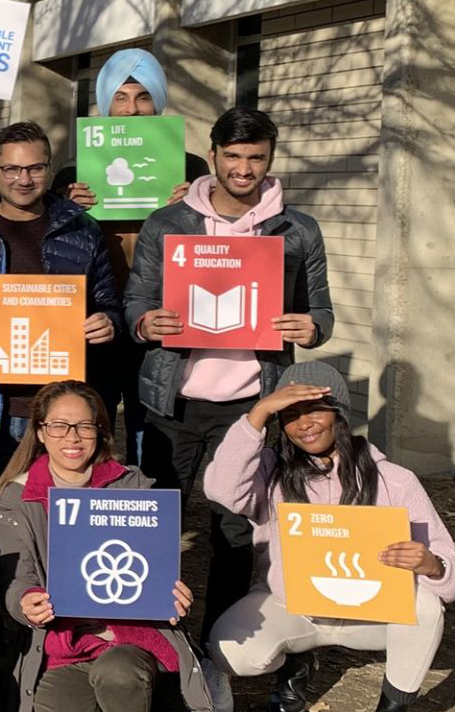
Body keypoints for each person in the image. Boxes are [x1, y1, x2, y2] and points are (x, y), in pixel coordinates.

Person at [126, 106, 335, 638]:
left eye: (256, 158)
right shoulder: (167, 223)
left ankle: (218, 643)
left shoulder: (298, 230)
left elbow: (323, 312)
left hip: (250, 405)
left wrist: (309, 329)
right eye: (234, 156)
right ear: (213, 155)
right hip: (173, 401)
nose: (244, 169)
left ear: (271, 159)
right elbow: (136, 302)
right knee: (156, 522)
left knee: (235, 527)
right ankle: (149, 637)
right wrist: (147, 322)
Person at [204, 362, 455, 712]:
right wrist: (257, 414)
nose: (303, 424)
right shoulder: (273, 475)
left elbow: (454, 582)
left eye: (316, 411)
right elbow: (219, 488)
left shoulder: (393, 480)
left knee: (427, 607)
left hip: (369, 615)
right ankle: (299, 658)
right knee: (231, 652)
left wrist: (432, 565)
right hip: (293, 606)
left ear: (340, 415)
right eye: (289, 415)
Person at [0, 381, 217, 712]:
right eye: (59, 426)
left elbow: (157, 568)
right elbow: (15, 575)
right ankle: (126, 709)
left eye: (84, 426)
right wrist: (24, 603)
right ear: (39, 431)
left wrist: (173, 595)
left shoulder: (133, 486)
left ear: (101, 431)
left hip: (127, 638)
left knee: (118, 671)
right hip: (64, 643)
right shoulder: (18, 495)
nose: (72, 438)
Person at [0, 121, 120, 503]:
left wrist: (107, 323)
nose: (24, 179)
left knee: (55, 526)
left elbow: (108, 303)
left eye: (35, 168)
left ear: (49, 168)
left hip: (58, 418)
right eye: (13, 169)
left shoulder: (83, 231)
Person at [51, 48, 209, 458]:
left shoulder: (191, 169)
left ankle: (148, 508)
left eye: (143, 97)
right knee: (90, 419)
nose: (132, 109)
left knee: (151, 423)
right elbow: (48, 246)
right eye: (121, 97)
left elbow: (215, 246)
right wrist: (66, 209)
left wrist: (195, 209)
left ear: (157, 103)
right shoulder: (73, 171)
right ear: (106, 103)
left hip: (159, 316)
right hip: (95, 316)